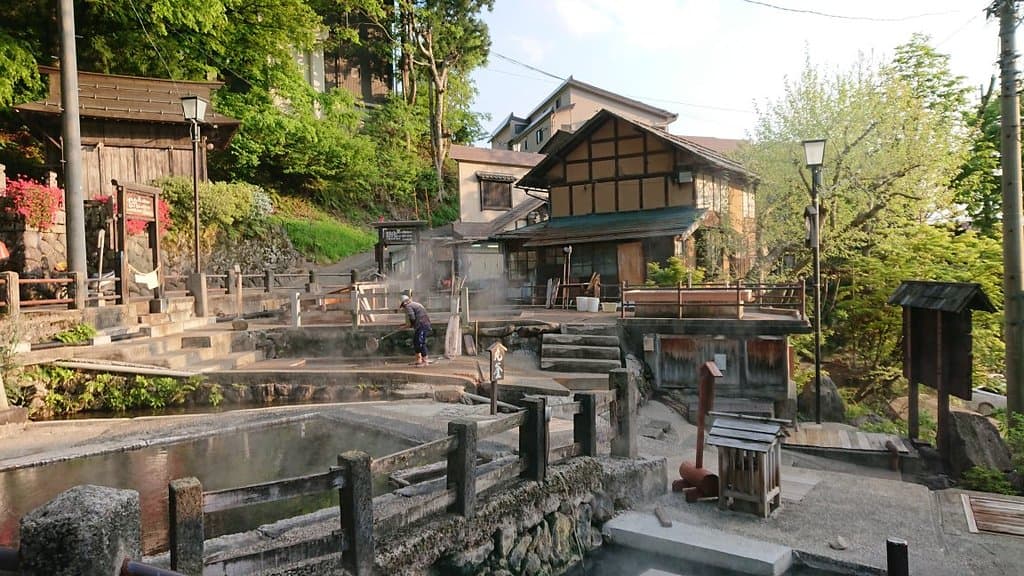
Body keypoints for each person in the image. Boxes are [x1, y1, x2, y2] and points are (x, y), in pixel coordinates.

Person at [399, 294, 432, 366]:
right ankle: (418, 359)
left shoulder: (409, 306)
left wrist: (408, 325)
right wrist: (407, 325)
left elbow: (412, 317)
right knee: (416, 341)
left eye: (403, 305)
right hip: (422, 324)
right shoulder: (415, 304)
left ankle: (425, 361)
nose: (404, 308)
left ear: (404, 303)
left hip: (422, 324)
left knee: (420, 342)